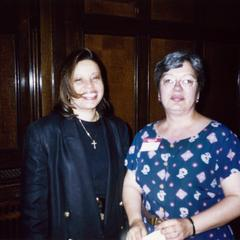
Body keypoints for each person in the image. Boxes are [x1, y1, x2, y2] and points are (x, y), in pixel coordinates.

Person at [122, 51, 240, 240]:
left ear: (198, 92)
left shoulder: (220, 137)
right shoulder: (145, 135)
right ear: (159, 93)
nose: (177, 88)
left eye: (187, 81)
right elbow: (131, 185)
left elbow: (237, 198)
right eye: (168, 81)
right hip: (153, 235)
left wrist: (189, 226)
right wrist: (135, 221)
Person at [21, 48, 130, 240]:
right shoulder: (43, 133)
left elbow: (128, 189)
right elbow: (34, 208)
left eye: (95, 77)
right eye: (79, 80)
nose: (90, 86)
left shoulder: (119, 129)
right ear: (66, 86)